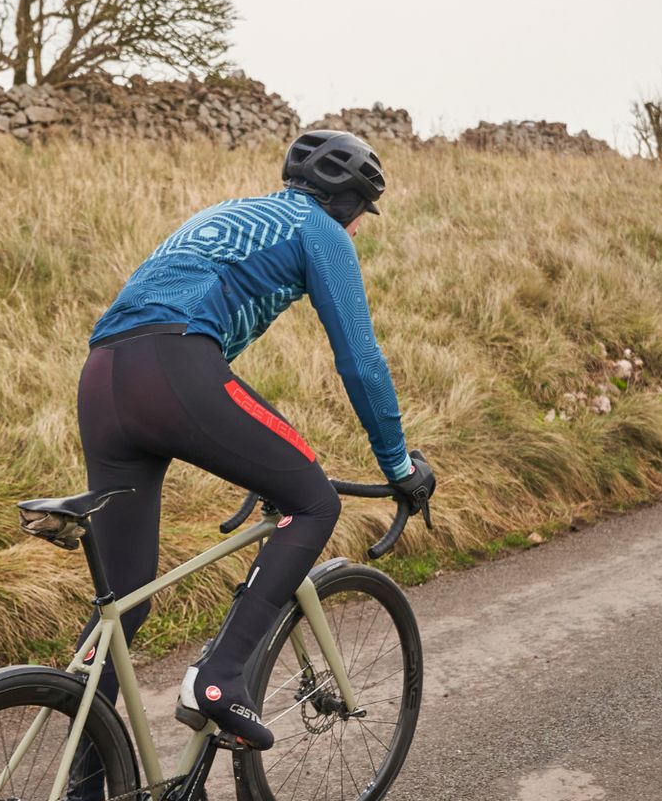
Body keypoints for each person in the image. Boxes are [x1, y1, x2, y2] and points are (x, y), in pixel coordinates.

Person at [72, 129, 435, 757]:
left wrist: (248, 457)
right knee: (315, 500)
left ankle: (81, 794)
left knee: (124, 604)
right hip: (173, 367)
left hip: (102, 378)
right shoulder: (317, 229)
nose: (356, 231)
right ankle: (219, 678)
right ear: (349, 207)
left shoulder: (227, 213)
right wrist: (398, 464)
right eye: (360, 218)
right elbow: (360, 360)